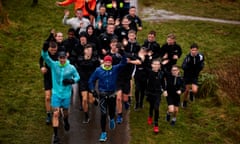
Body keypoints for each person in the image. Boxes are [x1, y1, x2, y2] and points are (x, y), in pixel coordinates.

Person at [41, 46, 80, 143]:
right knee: (56, 113)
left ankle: (66, 120)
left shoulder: (71, 67)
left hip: (66, 94)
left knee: (65, 111)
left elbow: (77, 77)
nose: (62, 60)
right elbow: (45, 57)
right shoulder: (54, 65)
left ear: (66, 58)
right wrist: (44, 49)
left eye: (64, 58)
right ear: (58, 58)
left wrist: (72, 80)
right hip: (56, 94)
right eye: (60, 58)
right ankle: (55, 135)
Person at [88, 53, 127, 142]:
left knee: (112, 111)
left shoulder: (115, 69)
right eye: (106, 61)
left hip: (112, 94)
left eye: (109, 62)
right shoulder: (98, 70)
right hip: (102, 95)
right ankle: (103, 133)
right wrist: (93, 90)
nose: (108, 63)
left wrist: (123, 53)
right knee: (103, 114)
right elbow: (91, 80)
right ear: (104, 62)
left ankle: (112, 118)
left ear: (111, 63)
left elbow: (123, 63)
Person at [75, 44, 100, 123]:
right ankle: (86, 116)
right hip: (82, 80)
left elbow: (98, 69)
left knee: (90, 100)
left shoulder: (95, 60)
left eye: (91, 51)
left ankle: (94, 99)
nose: (89, 52)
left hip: (91, 81)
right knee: (84, 99)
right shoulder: (80, 59)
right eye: (88, 50)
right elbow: (77, 67)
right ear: (84, 50)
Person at [39, 41, 59, 125]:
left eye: (55, 50)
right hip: (47, 76)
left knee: (55, 96)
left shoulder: (59, 54)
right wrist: (42, 67)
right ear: (49, 48)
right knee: (47, 97)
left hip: (56, 78)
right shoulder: (46, 53)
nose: (53, 52)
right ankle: (48, 114)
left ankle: (57, 111)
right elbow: (40, 60)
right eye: (52, 50)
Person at [145, 59, 165, 133]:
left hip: (157, 93)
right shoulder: (149, 72)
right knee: (151, 106)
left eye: (158, 64)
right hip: (150, 93)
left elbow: (163, 83)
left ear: (160, 66)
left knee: (156, 108)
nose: (156, 66)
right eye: (155, 64)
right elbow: (144, 65)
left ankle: (156, 125)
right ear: (152, 65)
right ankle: (150, 116)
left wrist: (164, 90)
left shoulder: (161, 73)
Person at [182, 43, 204, 108]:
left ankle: (191, 93)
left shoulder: (200, 56)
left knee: (195, 90)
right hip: (187, 76)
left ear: (197, 50)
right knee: (186, 90)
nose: (194, 52)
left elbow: (202, 63)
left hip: (195, 76)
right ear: (190, 50)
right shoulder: (187, 58)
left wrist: (200, 67)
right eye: (192, 50)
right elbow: (183, 66)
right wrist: (187, 66)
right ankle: (184, 102)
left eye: (195, 50)